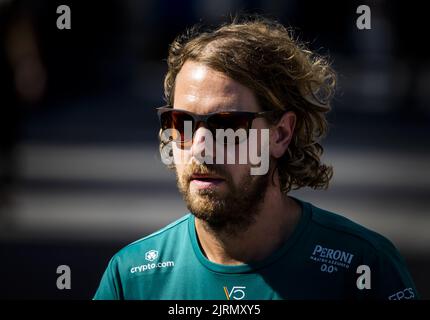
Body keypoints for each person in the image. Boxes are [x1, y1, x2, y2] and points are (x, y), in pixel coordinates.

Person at [94, 16, 418, 300]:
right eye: (182, 123)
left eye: (228, 124)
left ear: (280, 135)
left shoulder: (364, 266)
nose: (201, 146)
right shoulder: (132, 276)